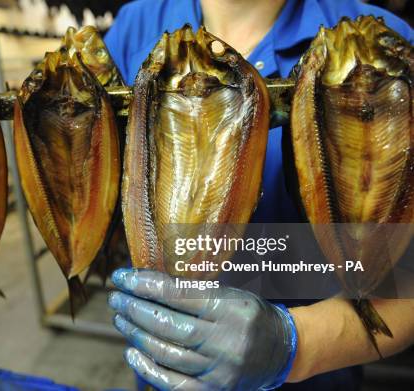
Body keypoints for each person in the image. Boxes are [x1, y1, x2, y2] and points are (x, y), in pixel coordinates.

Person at [103, 0, 414, 390]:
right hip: (166, 371)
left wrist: (296, 346)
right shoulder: (137, 23)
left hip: (318, 380)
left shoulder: (386, 41)